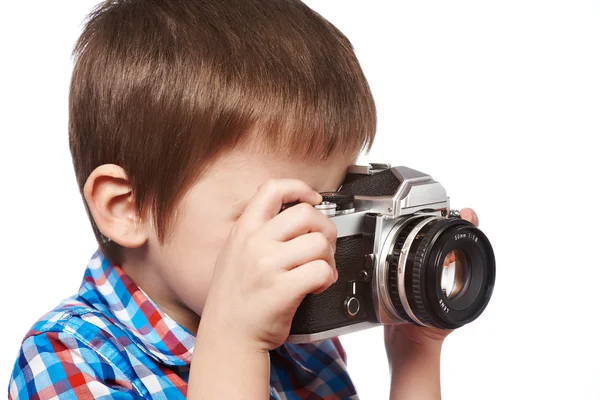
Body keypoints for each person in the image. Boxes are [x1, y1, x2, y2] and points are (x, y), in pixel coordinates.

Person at [8, 0, 479, 398]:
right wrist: (234, 340)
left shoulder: (304, 342)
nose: (318, 240)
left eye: (336, 204)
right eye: (284, 213)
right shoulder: (68, 357)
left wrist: (416, 353)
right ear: (126, 207)